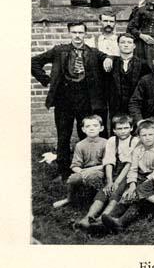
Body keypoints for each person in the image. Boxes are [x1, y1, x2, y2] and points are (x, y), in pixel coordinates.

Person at [31, 21, 112, 180]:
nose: (77, 36)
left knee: (86, 134)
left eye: (80, 33)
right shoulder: (59, 51)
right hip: (64, 98)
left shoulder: (93, 52)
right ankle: (63, 171)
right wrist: (46, 80)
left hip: (85, 99)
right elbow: (34, 61)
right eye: (74, 32)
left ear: (85, 34)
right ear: (69, 33)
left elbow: (107, 58)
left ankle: (85, 169)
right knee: (63, 135)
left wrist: (108, 58)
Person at [75, 115, 138, 229]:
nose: (123, 131)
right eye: (119, 129)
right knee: (104, 191)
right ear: (114, 130)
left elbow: (129, 164)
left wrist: (117, 182)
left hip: (127, 172)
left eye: (126, 128)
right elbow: (109, 162)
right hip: (114, 171)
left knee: (116, 192)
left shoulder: (135, 141)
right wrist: (109, 181)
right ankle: (87, 218)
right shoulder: (112, 140)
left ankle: (101, 219)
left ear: (131, 128)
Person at [101, 120, 154, 233]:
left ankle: (121, 223)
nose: (147, 138)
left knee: (137, 197)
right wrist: (132, 185)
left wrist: (137, 187)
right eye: (144, 135)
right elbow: (133, 169)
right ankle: (109, 219)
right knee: (128, 194)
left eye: (150, 134)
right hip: (141, 177)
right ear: (139, 137)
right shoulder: (137, 149)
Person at [52, 115, 107, 208]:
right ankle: (69, 199)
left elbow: (107, 164)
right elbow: (75, 165)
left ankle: (99, 201)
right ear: (83, 129)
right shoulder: (80, 145)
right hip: (84, 172)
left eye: (95, 126)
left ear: (101, 128)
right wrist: (81, 172)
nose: (91, 129)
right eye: (88, 126)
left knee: (97, 179)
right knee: (73, 178)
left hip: (101, 171)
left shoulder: (106, 143)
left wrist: (90, 171)